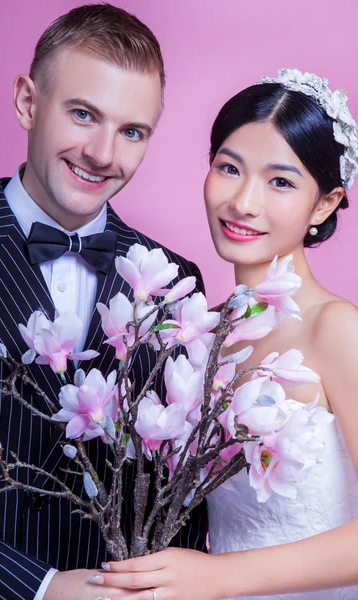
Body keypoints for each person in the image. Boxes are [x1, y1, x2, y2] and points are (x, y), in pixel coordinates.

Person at [0, 4, 208, 600]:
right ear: (27, 102)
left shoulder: (176, 281)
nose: (102, 153)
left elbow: (185, 491)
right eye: (82, 114)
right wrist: (40, 589)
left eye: (131, 131)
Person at [93, 69, 358, 599]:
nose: (243, 203)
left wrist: (216, 575)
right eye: (229, 168)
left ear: (324, 204)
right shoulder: (199, 333)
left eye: (280, 181)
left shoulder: (337, 329)